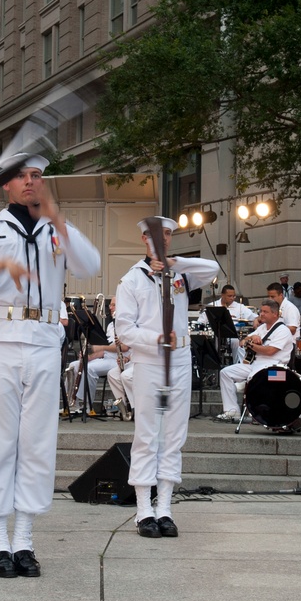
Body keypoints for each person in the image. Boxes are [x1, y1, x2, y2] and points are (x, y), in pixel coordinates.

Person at [0, 156, 100, 578]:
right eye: (22, 177)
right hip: (2, 339)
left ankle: (25, 540)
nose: (31, 182)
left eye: (37, 176)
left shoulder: (55, 228)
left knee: (37, 441)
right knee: (1, 440)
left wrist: (60, 220)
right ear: (7, 186)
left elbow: (90, 265)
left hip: (46, 341)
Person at [115, 216, 219, 539]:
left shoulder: (181, 275)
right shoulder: (132, 279)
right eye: (158, 236)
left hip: (180, 360)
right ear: (145, 239)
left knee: (174, 433)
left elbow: (212, 271)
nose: (164, 240)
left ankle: (165, 508)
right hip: (150, 360)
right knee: (148, 432)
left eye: (169, 235)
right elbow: (124, 329)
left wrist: (177, 263)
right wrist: (155, 339)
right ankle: (144, 508)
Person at [215, 299, 293, 423]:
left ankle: (256, 413)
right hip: (255, 364)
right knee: (225, 373)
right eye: (261, 311)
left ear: (275, 314)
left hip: (273, 366)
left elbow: (270, 351)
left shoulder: (283, 330)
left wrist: (250, 345)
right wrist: (251, 337)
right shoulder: (262, 328)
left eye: (265, 312)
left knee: (253, 377)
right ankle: (232, 411)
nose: (261, 314)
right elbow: (242, 341)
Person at [64, 296, 121, 413]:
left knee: (89, 369)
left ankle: (86, 405)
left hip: (118, 361)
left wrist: (100, 348)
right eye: (110, 304)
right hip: (106, 358)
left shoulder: (124, 324)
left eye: (114, 305)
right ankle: (70, 403)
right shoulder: (111, 325)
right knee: (74, 365)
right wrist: (90, 356)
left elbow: (123, 347)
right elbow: (106, 348)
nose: (110, 307)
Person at [207, 284, 257, 364]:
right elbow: (202, 321)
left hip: (233, 334)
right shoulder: (213, 305)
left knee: (236, 342)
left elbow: (254, 317)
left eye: (234, 296)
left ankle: (236, 364)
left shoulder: (239, 307)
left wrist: (256, 320)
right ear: (222, 295)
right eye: (229, 296)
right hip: (215, 333)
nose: (232, 298)